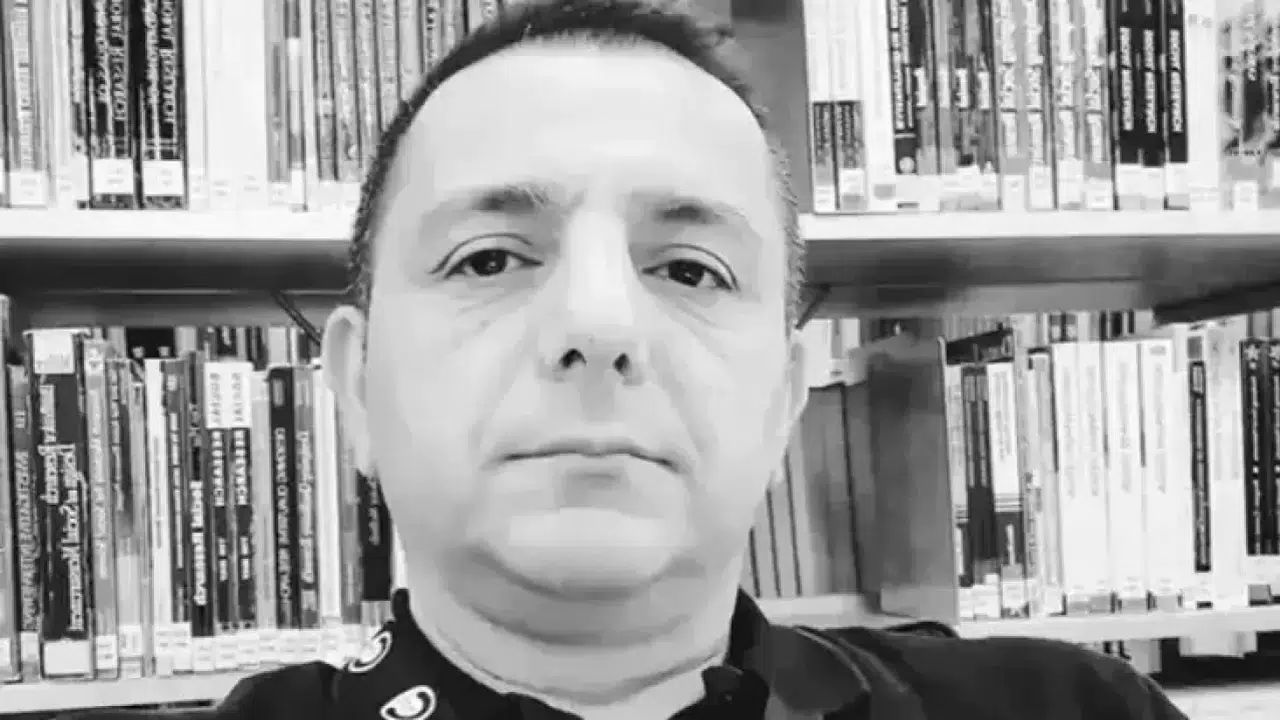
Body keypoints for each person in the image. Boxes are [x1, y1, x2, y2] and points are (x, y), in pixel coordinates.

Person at [67, 1, 1189, 718]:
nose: (599, 323)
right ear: (356, 385)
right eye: (489, 258)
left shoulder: (1079, 710)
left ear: (783, 398)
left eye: (691, 269)